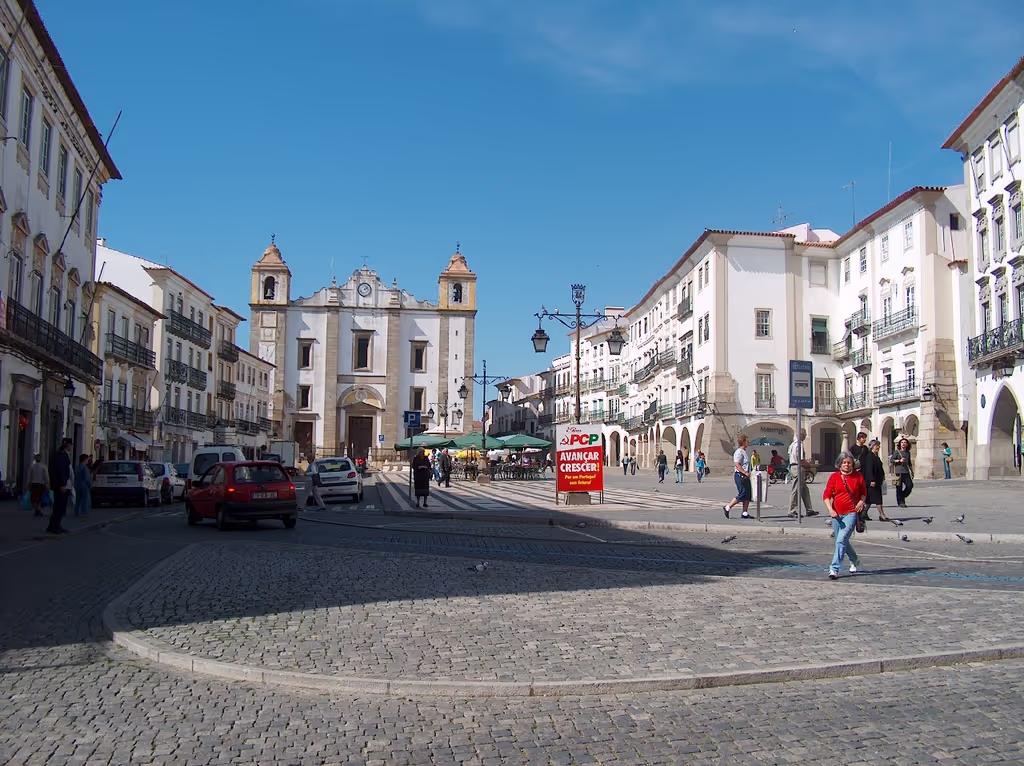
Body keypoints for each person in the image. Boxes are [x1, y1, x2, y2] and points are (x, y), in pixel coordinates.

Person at [822, 451, 866, 580]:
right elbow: (826, 495)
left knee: (841, 540)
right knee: (841, 541)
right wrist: (830, 509)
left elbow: (864, 492)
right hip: (836, 514)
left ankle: (834, 569)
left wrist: (861, 502)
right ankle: (855, 559)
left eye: (849, 462)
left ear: (853, 464)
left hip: (851, 513)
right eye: (844, 462)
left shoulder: (858, 477)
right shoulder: (834, 477)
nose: (847, 465)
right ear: (840, 464)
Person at [787, 429, 819, 518]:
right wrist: (808, 465)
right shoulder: (799, 445)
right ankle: (792, 510)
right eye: (805, 435)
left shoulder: (793, 444)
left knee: (805, 490)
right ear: (802, 435)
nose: (805, 437)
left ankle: (809, 509)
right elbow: (800, 459)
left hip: (794, 466)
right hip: (798, 467)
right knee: (796, 489)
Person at [47, 438, 73, 534]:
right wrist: (62, 484)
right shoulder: (60, 456)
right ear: (67, 445)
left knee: (60, 505)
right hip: (60, 485)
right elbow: (60, 471)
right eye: (71, 445)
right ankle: (55, 525)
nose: (71, 447)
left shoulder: (62, 455)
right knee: (59, 506)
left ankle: (53, 525)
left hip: (61, 484)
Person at [724, 434, 753, 519]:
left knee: (748, 494)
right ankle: (728, 507)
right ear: (743, 442)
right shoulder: (739, 452)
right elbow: (737, 464)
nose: (748, 442)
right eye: (747, 441)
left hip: (746, 476)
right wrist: (744, 472)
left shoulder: (744, 451)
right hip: (740, 475)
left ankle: (745, 512)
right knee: (742, 493)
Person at [861, 439, 889, 521]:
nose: (878, 447)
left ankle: (863, 513)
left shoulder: (875, 455)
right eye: (877, 445)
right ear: (872, 446)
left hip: (877, 480)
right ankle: (882, 515)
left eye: (878, 445)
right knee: (878, 499)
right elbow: (869, 469)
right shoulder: (870, 456)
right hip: (872, 481)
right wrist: (871, 480)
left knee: (869, 499)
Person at [890, 437, 914, 508]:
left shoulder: (908, 452)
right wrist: (899, 461)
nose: (903, 444)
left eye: (905, 443)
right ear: (900, 444)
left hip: (906, 472)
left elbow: (909, 463)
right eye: (902, 442)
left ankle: (903, 495)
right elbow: (892, 460)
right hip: (898, 472)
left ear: (907, 444)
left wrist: (911, 471)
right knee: (899, 487)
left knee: (910, 486)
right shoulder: (897, 452)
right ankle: (901, 502)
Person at [27, 453, 49, 518]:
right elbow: (46, 477)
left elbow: (29, 477)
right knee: (40, 497)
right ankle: (38, 509)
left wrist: (28, 484)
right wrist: (47, 483)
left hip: (34, 484)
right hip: (41, 484)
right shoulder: (44, 467)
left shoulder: (32, 467)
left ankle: (37, 509)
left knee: (34, 497)